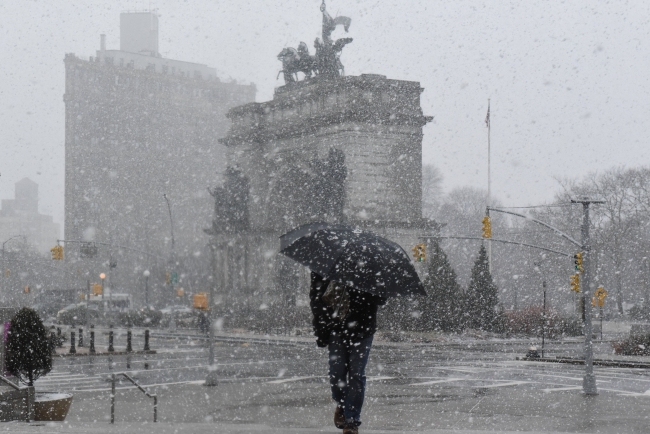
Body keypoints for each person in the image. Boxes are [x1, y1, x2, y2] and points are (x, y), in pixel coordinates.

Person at [310, 272, 386, 434]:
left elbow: (381, 298)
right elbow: (316, 298)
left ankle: (351, 421)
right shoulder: (326, 263)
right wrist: (320, 328)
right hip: (336, 327)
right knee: (336, 373)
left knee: (356, 374)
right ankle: (342, 403)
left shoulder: (370, 266)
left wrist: (364, 286)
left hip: (363, 327)